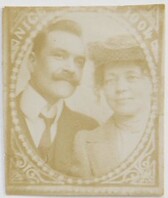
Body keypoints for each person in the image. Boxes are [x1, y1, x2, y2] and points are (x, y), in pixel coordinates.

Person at [15, 19, 98, 174]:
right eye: (59, 56)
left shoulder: (89, 130)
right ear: (32, 62)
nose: (71, 69)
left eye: (79, 62)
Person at [71, 35, 153, 178]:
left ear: (150, 82)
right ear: (101, 86)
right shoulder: (85, 142)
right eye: (110, 80)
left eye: (131, 77)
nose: (121, 88)